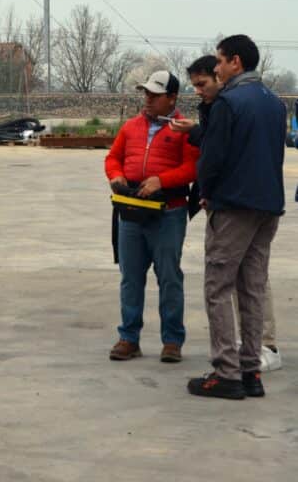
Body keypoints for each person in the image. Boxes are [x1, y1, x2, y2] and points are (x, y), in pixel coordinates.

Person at [187, 34, 286, 400]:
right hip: (267, 208)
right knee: (253, 287)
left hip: (234, 206)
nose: (216, 67)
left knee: (218, 287)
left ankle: (226, 373)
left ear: (236, 63)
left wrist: (207, 193)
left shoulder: (229, 102)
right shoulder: (274, 104)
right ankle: (251, 372)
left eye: (220, 61)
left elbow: (213, 157)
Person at [105, 70, 198, 363]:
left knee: (169, 277)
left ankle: (172, 341)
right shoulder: (130, 127)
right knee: (130, 278)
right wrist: (117, 175)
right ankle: (128, 338)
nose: (148, 99)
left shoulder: (183, 131)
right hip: (131, 211)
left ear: (172, 98)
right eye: (146, 93)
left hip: (168, 212)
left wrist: (162, 180)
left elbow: (194, 168)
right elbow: (113, 158)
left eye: (155, 95)